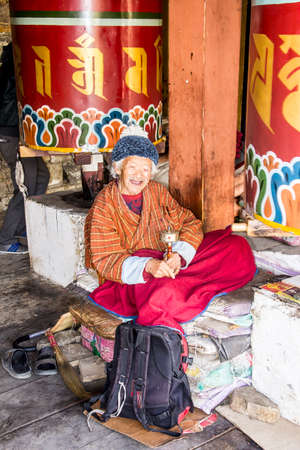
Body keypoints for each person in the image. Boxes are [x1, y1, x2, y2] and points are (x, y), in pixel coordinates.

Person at [84, 127, 256, 335]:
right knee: (162, 294)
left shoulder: (156, 191)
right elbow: (105, 259)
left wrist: (180, 257)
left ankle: (184, 282)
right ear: (119, 168)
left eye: (146, 169)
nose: (139, 175)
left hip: (168, 260)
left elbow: (189, 223)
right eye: (133, 168)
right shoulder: (105, 204)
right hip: (135, 278)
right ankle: (177, 293)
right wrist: (148, 265)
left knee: (236, 246)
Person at [0, 43, 50, 254]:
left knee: (42, 177)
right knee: (25, 188)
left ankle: (23, 228)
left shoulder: (11, 74)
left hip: (18, 135)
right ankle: (5, 239)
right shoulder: (11, 78)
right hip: (11, 136)